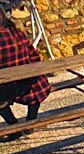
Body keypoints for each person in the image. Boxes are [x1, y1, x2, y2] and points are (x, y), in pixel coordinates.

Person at [0, 8, 48, 142]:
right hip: (30, 84)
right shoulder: (17, 33)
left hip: (6, 89)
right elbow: (35, 57)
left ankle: (13, 125)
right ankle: (31, 120)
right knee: (37, 80)